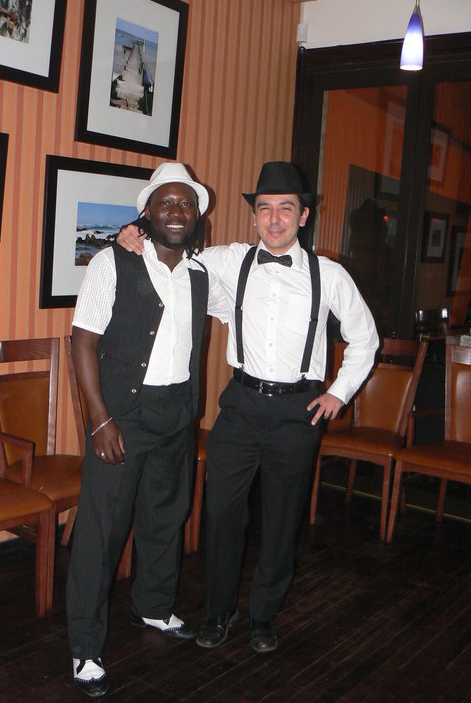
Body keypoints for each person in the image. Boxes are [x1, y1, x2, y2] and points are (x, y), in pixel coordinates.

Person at [117, 161, 378, 655]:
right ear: (254, 215)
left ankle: (263, 615)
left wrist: (338, 393)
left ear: (303, 216)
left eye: (286, 209)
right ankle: (219, 612)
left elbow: (365, 339)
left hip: (298, 411)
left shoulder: (330, 275)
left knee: (281, 520)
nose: (275, 219)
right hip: (239, 408)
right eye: (265, 209)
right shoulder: (229, 260)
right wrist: (133, 232)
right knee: (221, 515)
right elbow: (173, 245)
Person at [66, 162, 227, 698]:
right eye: (166, 203)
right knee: (102, 531)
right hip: (122, 415)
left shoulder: (201, 274)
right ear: (148, 213)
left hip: (177, 412)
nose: (176, 211)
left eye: (186, 203)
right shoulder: (113, 261)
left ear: (197, 215)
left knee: (166, 516)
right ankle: (85, 647)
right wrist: (100, 418)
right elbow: (82, 340)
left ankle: (154, 606)